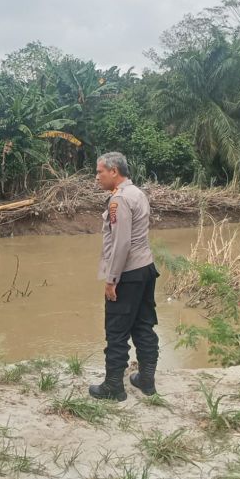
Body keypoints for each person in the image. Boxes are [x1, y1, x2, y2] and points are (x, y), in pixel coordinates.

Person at [89, 152, 160, 401]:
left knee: (116, 331)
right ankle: (146, 381)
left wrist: (112, 280)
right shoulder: (137, 193)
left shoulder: (119, 199)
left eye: (100, 172)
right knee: (143, 325)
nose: (97, 177)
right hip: (146, 269)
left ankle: (113, 387)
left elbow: (121, 244)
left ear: (114, 171)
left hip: (127, 274)